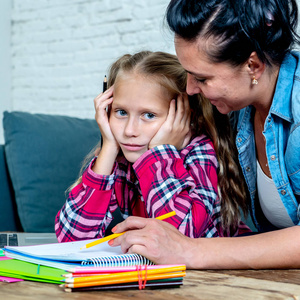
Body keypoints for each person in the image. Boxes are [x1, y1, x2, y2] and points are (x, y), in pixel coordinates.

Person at [108, 0, 300, 269]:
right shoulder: (233, 111)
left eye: (202, 78)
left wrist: (192, 251)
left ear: (253, 66)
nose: (190, 89)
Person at [55, 51, 250, 242]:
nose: (130, 130)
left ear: (183, 118)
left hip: (218, 270)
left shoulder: (199, 154)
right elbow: (72, 237)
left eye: (148, 115)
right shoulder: (122, 157)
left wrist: (159, 156)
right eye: (121, 112)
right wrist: (109, 148)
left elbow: (179, 239)